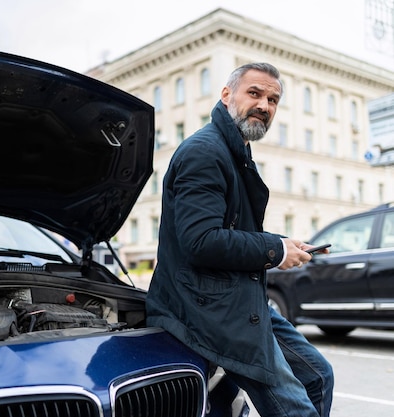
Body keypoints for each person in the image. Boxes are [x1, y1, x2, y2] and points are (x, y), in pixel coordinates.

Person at [145, 62, 334, 417]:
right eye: (255, 93)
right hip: (205, 309)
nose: (265, 105)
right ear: (227, 95)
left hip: (239, 300)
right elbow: (200, 240)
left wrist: (284, 242)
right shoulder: (205, 151)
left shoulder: (235, 152)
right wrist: (275, 251)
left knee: (318, 376)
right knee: (297, 409)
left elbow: (231, 230)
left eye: (273, 99)